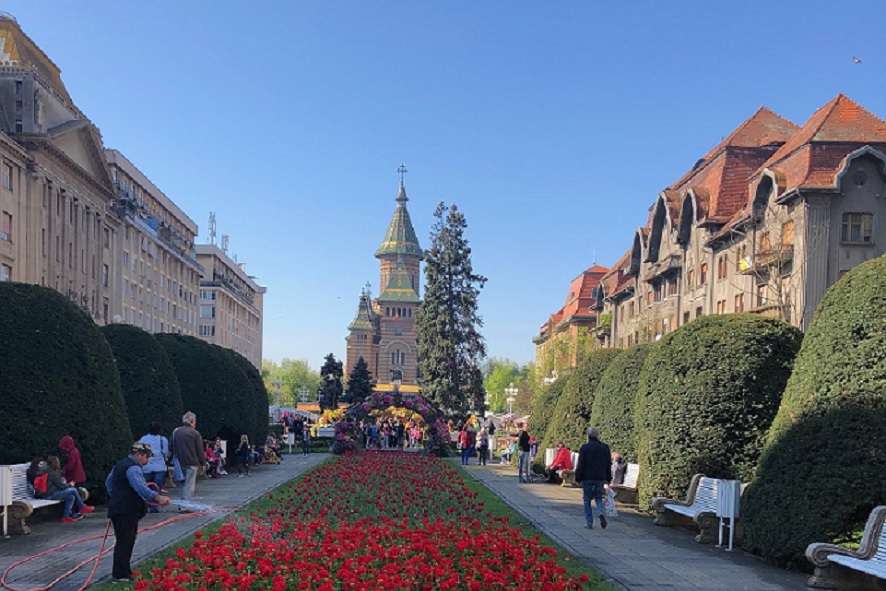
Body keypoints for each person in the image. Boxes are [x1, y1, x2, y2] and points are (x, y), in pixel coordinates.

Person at [105, 442, 171, 583]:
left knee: (124, 540)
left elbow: (109, 484)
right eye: (146, 457)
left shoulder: (121, 464)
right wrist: (157, 497)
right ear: (138, 454)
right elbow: (140, 487)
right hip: (127, 510)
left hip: (118, 508)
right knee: (125, 542)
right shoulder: (134, 468)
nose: (147, 461)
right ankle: (120, 574)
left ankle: (125, 570)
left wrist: (116, 496)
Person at [27, 456, 93, 523]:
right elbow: (61, 486)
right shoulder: (52, 473)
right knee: (73, 490)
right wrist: (69, 485)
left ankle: (66, 516)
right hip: (50, 494)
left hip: (45, 494)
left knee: (71, 497)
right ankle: (82, 507)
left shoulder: (44, 470)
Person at [574, 427, 612, 530]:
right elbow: (608, 464)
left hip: (588, 477)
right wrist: (609, 478)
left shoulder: (585, 448)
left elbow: (581, 464)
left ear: (589, 436)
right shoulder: (605, 448)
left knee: (587, 499)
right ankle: (600, 512)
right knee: (598, 497)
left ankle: (589, 522)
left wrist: (578, 478)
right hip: (600, 477)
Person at [172, 411, 205, 513]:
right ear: (191, 421)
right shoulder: (195, 433)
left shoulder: (176, 432)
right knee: (189, 485)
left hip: (179, 461)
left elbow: (171, 445)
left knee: (182, 483)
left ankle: (181, 503)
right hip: (191, 462)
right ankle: (185, 505)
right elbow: (200, 449)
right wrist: (203, 463)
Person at [139, 422, 170, 513]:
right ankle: (154, 506)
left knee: (145, 487)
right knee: (157, 487)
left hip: (146, 467)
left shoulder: (143, 439)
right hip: (159, 467)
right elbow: (166, 452)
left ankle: (146, 505)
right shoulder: (162, 439)